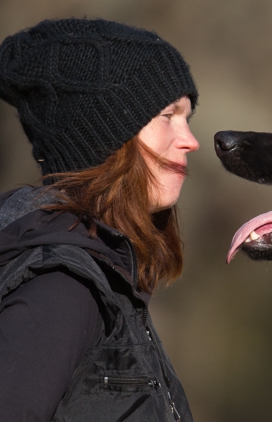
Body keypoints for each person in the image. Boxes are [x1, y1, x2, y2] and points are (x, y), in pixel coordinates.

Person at [0, 18, 199, 421]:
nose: (190, 140)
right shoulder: (62, 289)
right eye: (167, 115)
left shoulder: (106, 279)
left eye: (188, 118)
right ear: (105, 136)